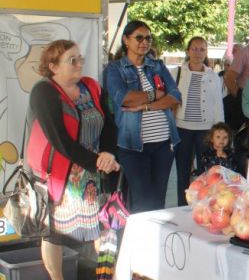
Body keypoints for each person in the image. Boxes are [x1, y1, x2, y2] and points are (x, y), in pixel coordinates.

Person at [27, 40, 120, 280]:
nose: (80, 64)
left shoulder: (92, 87)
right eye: (72, 60)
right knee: (53, 234)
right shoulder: (44, 91)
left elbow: (109, 125)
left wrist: (108, 154)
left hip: (96, 171)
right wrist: (99, 162)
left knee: (103, 228)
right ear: (53, 66)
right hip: (59, 175)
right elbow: (60, 140)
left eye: (80, 58)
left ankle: (107, 276)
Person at [105, 20, 181, 213]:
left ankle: (156, 240)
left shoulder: (157, 66)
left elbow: (175, 96)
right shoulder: (115, 69)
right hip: (133, 147)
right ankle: (140, 241)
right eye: (139, 37)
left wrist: (146, 106)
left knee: (158, 201)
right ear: (126, 40)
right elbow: (123, 98)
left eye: (148, 38)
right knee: (142, 201)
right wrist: (154, 94)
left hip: (165, 143)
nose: (144, 42)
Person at [173, 36, 224, 205]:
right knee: (183, 170)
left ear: (206, 52)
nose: (198, 52)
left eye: (202, 49)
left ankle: (204, 205)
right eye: (194, 48)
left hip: (205, 129)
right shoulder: (177, 73)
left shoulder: (213, 76)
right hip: (182, 128)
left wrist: (219, 132)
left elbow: (218, 103)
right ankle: (182, 205)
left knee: (205, 171)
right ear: (188, 50)